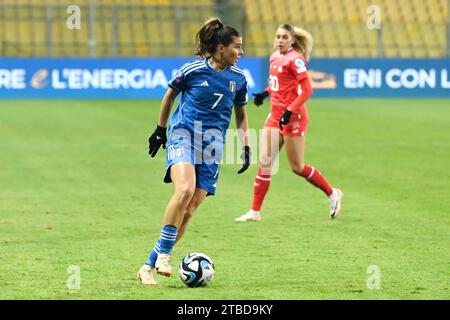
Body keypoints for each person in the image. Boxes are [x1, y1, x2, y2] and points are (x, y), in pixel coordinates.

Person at [137, 17, 250, 285]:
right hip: (183, 135)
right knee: (184, 191)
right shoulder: (193, 69)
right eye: (237, 46)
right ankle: (165, 254)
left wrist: (246, 146)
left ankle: (147, 267)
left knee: (188, 211)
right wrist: (160, 129)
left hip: (213, 145)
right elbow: (169, 95)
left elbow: (241, 115)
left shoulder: (239, 79)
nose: (241, 52)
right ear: (221, 48)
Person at [234, 24, 343, 223]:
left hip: (294, 117)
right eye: (278, 36)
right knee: (265, 163)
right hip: (275, 116)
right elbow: (279, 83)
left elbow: (308, 90)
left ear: (292, 40)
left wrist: (290, 110)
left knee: (297, 166)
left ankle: (332, 193)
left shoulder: (296, 60)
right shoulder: (274, 56)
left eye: (284, 37)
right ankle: (255, 211)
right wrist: (265, 93)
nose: (280, 40)